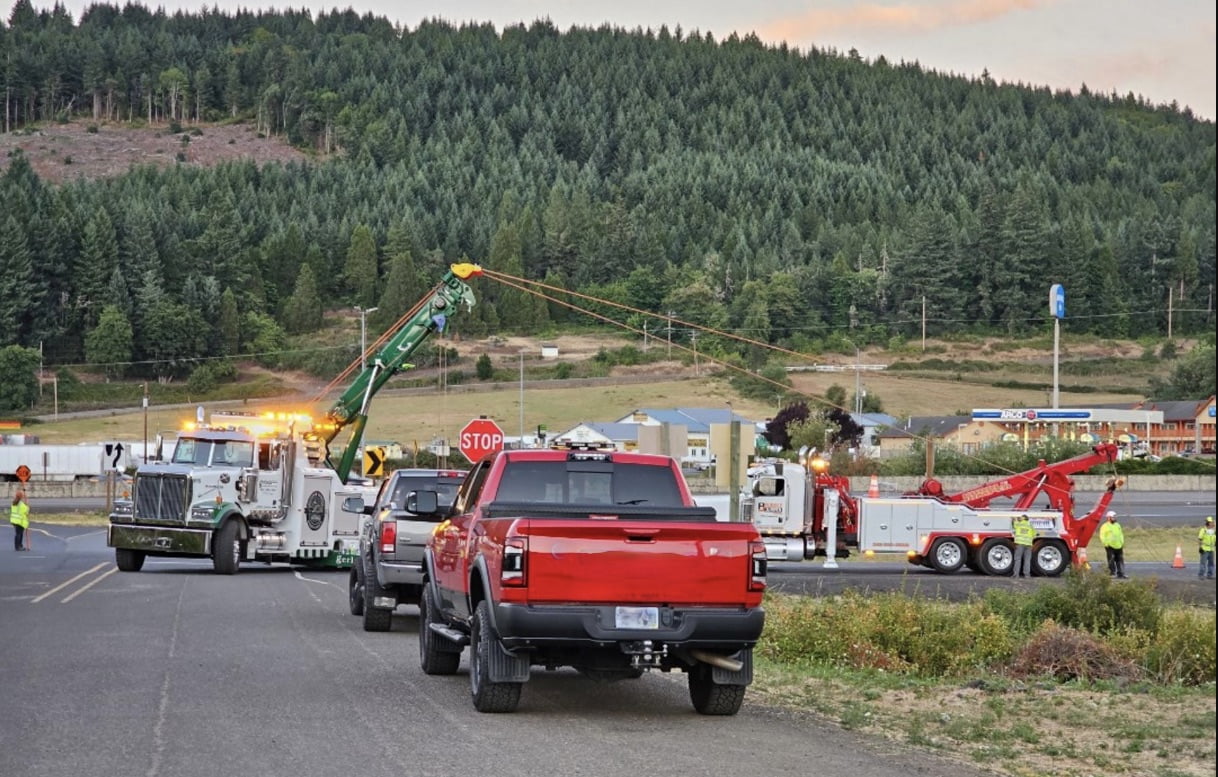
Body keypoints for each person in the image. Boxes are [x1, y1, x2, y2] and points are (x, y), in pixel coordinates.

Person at [1099, 510, 1127, 578]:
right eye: (1113, 517)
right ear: (1109, 518)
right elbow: (1102, 535)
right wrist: (1106, 543)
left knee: (1120, 560)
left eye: (1115, 517)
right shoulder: (1105, 526)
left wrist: (1122, 542)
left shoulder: (1117, 525)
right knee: (1111, 560)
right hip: (1110, 546)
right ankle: (1112, 573)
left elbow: (1120, 534)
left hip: (1119, 545)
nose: (1114, 519)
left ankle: (1121, 573)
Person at [1011, 513, 1037, 578]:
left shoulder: (1019, 524)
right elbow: (1034, 534)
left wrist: (1014, 519)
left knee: (1018, 559)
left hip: (1020, 544)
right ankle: (1027, 575)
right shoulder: (1030, 525)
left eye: (1021, 517)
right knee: (1027, 560)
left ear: (1023, 518)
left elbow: (1014, 524)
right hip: (1028, 544)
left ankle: (1016, 574)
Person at [1198, 516, 1216, 580]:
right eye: (1211, 522)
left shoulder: (1214, 531)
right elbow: (1200, 539)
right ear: (1208, 523)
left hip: (1211, 549)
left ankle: (1210, 575)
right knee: (1203, 563)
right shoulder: (1203, 530)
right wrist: (1200, 548)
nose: (1213, 523)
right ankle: (1201, 575)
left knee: (1211, 563)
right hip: (1205, 549)